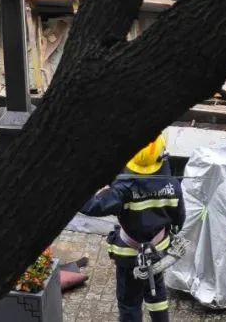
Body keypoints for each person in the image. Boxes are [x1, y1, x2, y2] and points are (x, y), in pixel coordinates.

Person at [80, 134, 184, 322]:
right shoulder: (173, 185)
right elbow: (179, 218)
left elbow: (92, 207)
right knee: (157, 296)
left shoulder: (124, 188)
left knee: (129, 302)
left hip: (129, 253)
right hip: (158, 251)